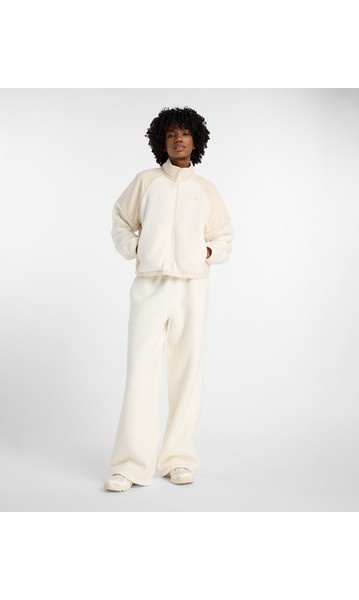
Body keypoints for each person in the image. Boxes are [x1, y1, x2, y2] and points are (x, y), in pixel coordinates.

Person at [104, 106, 234, 492]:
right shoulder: (146, 182)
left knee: (187, 374)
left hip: (193, 288)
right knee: (141, 373)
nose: (178, 139)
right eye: (171, 134)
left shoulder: (206, 190)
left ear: (196, 140)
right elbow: (120, 220)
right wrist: (137, 248)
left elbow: (224, 236)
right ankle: (130, 466)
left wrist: (206, 253)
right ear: (162, 141)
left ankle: (178, 459)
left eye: (185, 133)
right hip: (150, 287)